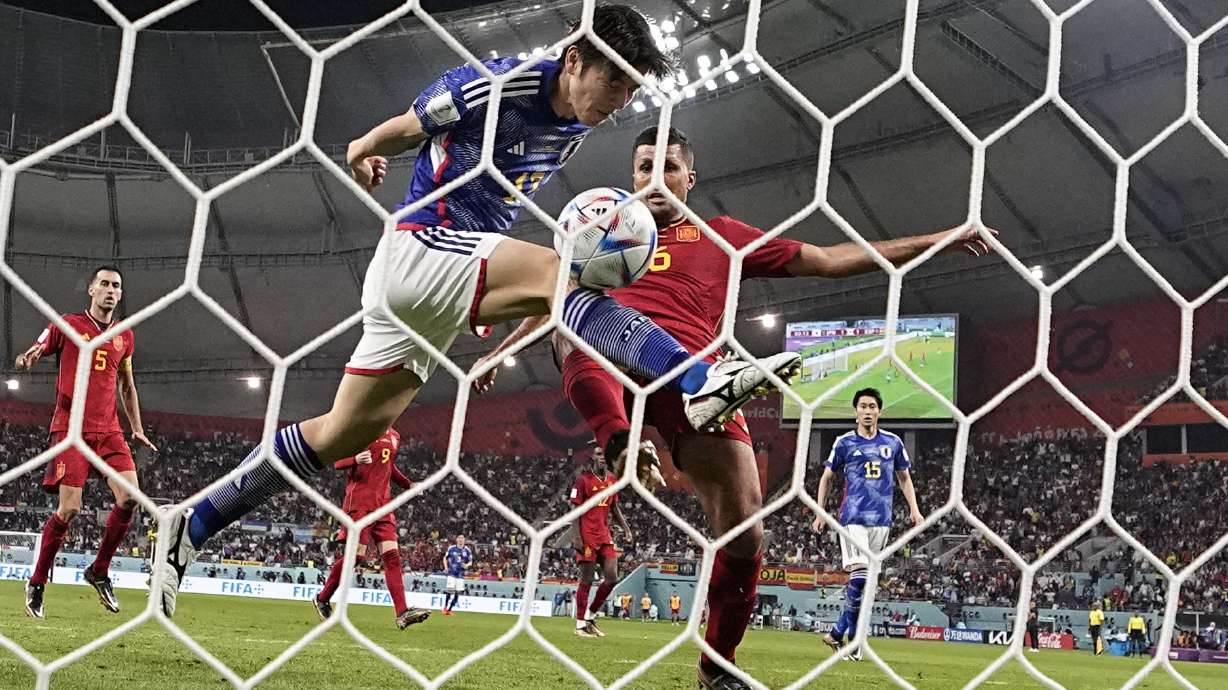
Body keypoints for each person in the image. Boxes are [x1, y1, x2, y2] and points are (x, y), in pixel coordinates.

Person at [155, 4, 799, 617]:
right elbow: (405, 127)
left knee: (341, 433)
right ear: (575, 59)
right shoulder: (494, 85)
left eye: (631, 92)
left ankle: (193, 522)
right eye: (614, 83)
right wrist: (364, 148)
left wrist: (486, 289)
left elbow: (503, 202)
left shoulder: (575, 127)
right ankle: (696, 379)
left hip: (438, 284)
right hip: (421, 248)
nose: (618, 104)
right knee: (565, 273)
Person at [474, 126, 991, 689]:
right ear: (631, 176)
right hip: (612, 362)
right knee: (575, 324)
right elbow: (556, 298)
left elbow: (828, 258)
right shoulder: (603, 230)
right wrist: (500, 352)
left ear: (690, 179)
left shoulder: (723, 237)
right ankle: (620, 441)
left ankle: (717, 666)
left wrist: (944, 236)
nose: (655, 180)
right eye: (644, 167)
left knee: (746, 531)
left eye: (668, 168)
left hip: (694, 387)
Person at [14, 266, 158, 618]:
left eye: (116, 286)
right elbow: (38, 346)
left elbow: (127, 385)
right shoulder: (68, 325)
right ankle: (36, 581)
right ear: (91, 290)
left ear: (120, 295)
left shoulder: (125, 336)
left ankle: (99, 570)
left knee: (130, 498)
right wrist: (29, 356)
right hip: (71, 429)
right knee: (70, 509)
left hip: (108, 430)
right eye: (104, 284)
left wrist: (136, 427)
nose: (110, 290)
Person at [813, 388, 924, 663]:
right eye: (862, 406)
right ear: (856, 412)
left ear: (879, 411)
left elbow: (904, 478)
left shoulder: (893, 442)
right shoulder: (844, 442)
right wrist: (819, 512)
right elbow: (826, 477)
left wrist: (915, 510)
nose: (867, 411)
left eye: (872, 406)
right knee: (860, 576)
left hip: (882, 522)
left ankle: (846, 638)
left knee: (865, 586)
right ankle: (842, 634)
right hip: (852, 518)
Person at [312, 427, 427, 629]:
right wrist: (355, 459)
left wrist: (408, 485)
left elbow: (388, 466)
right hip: (359, 504)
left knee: (392, 557)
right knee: (356, 557)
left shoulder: (395, 435)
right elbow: (338, 462)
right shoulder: (361, 428)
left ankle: (402, 613)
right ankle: (323, 598)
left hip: (383, 506)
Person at [571, 445, 632, 637]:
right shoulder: (582, 481)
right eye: (599, 454)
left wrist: (626, 529)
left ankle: (590, 616)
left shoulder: (613, 480)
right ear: (593, 457)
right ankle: (580, 625)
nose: (602, 458)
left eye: (605, 455)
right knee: (587, 579)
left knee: (612, 577)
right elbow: (575, 511)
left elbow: (614, 508)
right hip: (587, 536)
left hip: (605, 536)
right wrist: (576, 536)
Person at [442, 535, 473, 615]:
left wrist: (467, 565)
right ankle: (445, 608)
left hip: (460, 575)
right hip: (451, 573)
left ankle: (449, 610)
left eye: (462, 538)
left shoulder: (467, 550)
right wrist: (446, 567)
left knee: (457, 593)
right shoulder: (451, 548)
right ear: (456, 540)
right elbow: (445, 558)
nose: (460, 540)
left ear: (464, 540)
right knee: (449, 590)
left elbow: (471, 562)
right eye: (459, 538)